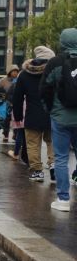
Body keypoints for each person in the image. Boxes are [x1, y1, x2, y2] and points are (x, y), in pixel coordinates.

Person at [40, 28, 77, 212]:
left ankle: (63, 199)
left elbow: (45, 89)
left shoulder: (55, 62)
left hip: (60, 116)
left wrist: (50, 109)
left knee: (61, 158)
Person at [12, 46, 55, 182]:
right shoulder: (54, 72)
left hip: (32, 114)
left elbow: (17, 97)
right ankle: (54, 166)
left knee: (32, 144)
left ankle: (37, 171)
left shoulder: (24, 74)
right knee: (52, 142)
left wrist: (18, 116)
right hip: (52, 113)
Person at [0, 66, 19, 142]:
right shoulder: (4, 80)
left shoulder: (20, 80)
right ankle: (6, 134)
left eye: (16, 71)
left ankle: (15, 134)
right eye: (13, 71)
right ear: (10, 72)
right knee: (7, 119)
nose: (15, 73)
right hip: (6, 102)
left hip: (17, 103)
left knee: (17, 119)